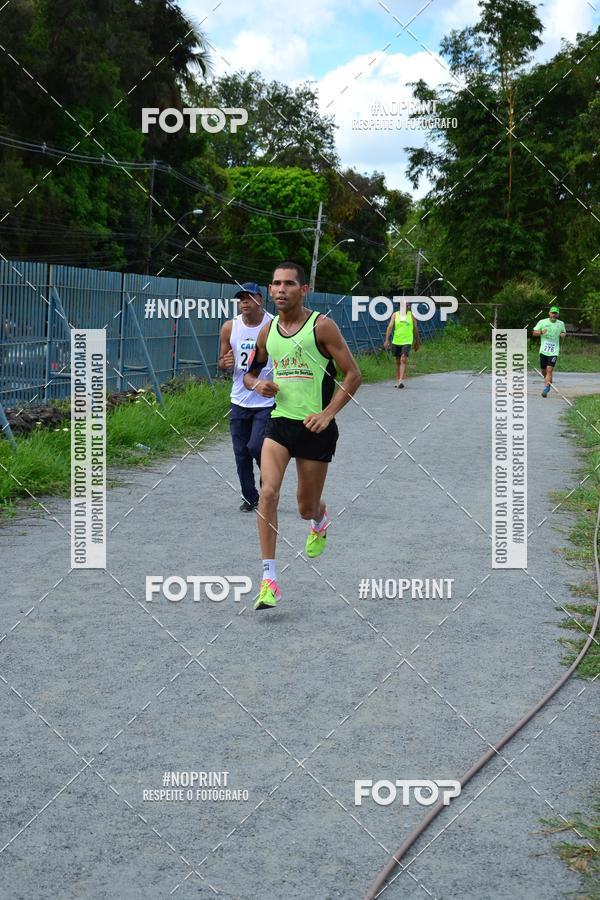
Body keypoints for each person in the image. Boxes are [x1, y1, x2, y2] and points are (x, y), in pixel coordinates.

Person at [243, 261, 362, 610]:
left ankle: (320, 518)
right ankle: (269, 580)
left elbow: (353, 374)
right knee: (267, 492)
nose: (281, 290)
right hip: (279, 423)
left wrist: (328, 414)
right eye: (276, 284)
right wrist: (257, 384)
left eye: (289, 284)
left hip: (315, 427)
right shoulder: (267, 332)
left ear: (303, 289)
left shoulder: (321, 327)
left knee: (304, 507)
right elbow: (249, 373)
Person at [218, 282, 274, 511]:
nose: (244, 303)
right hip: (239, 399)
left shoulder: (273, 325)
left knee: (256, 446)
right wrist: (225, 363)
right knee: (241, 453)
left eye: (248, 298)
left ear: (260, 299)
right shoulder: (230, 327)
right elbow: (220, 362)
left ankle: (268, 489)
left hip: (266, 401)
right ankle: (250, 498)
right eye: (241, 299)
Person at [383, 299, 420, 387]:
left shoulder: (411, 315)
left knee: (403, 358)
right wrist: (387, 340)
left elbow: (415, 329)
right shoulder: (395, 315)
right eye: (407, 305)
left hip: (407, 341)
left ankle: (401, 380)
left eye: (409, 305)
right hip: (396, 341)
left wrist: (417, 341)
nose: (408, 307)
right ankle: (398, 379)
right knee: (397, 361)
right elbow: (390, 327)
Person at [532, 305, 566, 397]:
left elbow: (563, 332)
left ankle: (546, 388)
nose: (554, 315)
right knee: (544, 371)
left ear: (558, 314)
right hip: (543, 350)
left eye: (555, 313)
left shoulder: (561, 323)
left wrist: (563, 334)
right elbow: (534, 333)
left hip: (554, 351)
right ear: (549, 313)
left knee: (549, 370)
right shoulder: (542, 322)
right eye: (552, 313)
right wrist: (542, 332)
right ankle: (548, 381)